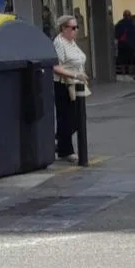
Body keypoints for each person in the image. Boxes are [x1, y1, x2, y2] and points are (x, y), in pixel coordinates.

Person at [51, 14, 90, 163]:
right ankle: (65, 149)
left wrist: (81, 73)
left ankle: (60, 141)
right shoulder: (59, 42)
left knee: (79, 117)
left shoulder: (72, 42)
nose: (76, 30)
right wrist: (75, 74)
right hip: (63, 84)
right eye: (73, 27)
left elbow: (78, 59)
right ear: (63, 28)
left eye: (77, 27)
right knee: (66, 118)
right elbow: (56, 67)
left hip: (76, 84)